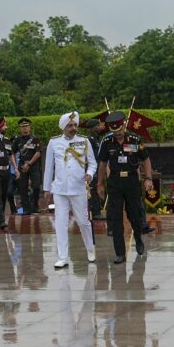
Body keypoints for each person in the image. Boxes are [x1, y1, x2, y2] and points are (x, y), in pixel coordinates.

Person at [96, 111, 154, 264]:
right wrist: (100, 184)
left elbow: (146, 159)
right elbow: (102, 163)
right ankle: (120, 253)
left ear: (124, 125)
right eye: (115, 131)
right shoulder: (107, 142)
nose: (118, 134)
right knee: (115, 219)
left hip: (132, 181)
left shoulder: (135, 140)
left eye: (120, 130)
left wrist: (148, 178)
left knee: (134, 215)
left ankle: (139, 240)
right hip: (114, 182)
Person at [43, 112, 97, 269]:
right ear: (63, 127)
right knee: (60, 223)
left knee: (83, 221)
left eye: (74, 125)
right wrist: (46, 188)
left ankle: (90, 249)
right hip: (60, 189)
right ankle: (63, 257)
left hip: (78, 188)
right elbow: (49, 168)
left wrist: (90, 174)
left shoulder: (84, 141)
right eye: (69, 126)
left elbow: (92, 163)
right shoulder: (54, 142)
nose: (73, 128)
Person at [12, 118, 43, 214]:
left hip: (33, 165)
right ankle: (25, 208)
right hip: (22, 165)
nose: (25, 129)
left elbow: (38, 153)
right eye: (23, 127)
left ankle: (35, 206)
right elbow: (11, 152)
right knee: (22, 187)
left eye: (26, 126)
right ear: (20, 128)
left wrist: (29, 164)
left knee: (36, 186)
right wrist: (16, 165)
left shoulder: (35, 139)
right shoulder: (17, 140)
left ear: (29, 127)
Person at [84, 118, 107, 220]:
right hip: (92, 168)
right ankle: (95, 212)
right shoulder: (90, 140)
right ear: (92, 128)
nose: (99, 127)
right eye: (97, 126)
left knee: (96, 188)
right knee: (93, 190)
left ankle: (96, 210)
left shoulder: (97, 138)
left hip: (97, 167)